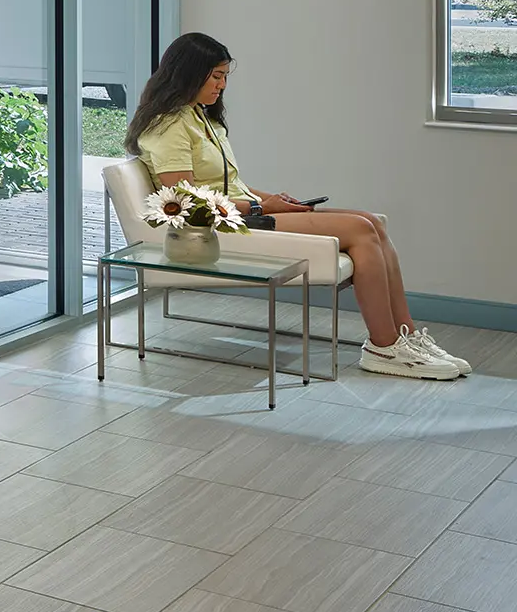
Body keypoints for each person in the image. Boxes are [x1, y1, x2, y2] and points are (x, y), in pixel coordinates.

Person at [126, 31, 467, 380]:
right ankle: (384, 347)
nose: (222, 85)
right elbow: (189, 200)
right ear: (188, 73)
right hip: (216, 229)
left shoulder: (200, 116)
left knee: (371, 222)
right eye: (216, 76)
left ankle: (405, 336)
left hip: (243, 213)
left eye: (226, 76)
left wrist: (270, 199)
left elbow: (227, 184)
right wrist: (259, 208)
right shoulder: (168, 126)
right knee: (362, 230)